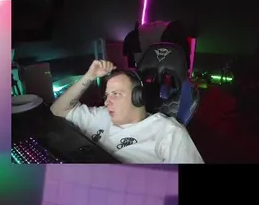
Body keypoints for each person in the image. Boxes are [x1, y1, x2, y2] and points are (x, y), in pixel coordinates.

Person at [49, 59, 205, 164]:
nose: (106, 102)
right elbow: (57, 110)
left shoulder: (168, 132)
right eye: (107, 95)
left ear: (138, 97)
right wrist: (89, 76)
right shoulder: (101, 115)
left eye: (116, 94)